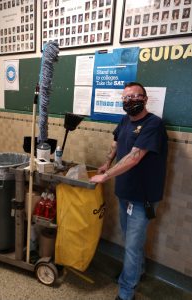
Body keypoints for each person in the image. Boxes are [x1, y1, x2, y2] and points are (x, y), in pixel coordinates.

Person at [90, 82, 168, 300]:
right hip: (125, 192)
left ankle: (126, 292)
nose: (130, 101)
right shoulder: (124, 120)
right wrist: (107, 162)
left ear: (144, 99)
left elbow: (135, 156)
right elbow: (116, 143)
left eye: (135, 96)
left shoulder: (154, 124)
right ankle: (137, 272)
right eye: (126, 98)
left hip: (142, 197)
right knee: (130, 241)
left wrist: (105, 176)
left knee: (132, 246)